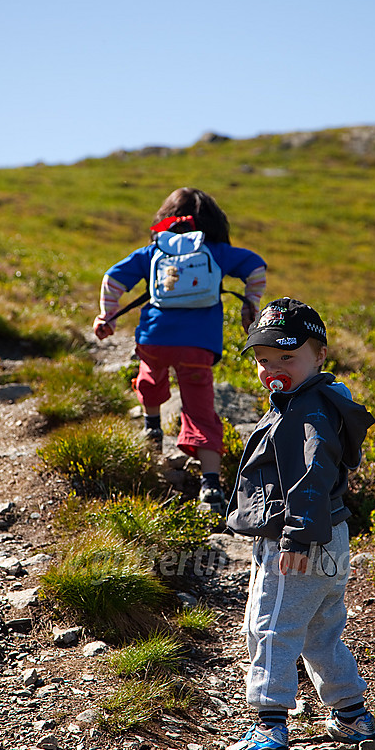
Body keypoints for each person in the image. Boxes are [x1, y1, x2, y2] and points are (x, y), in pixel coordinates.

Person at [223, 297, 375, 750]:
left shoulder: (306, 412)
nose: (273, 367)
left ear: (320, 356)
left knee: (270, 626)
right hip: (330, 538)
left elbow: (312, 475)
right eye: (263, 360)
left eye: (287, 357)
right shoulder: (315, 401)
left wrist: (295, 539)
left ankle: (268, 728)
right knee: (320, 631)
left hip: (299, 540)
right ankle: (352, 715)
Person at [93, 187, 267, 512]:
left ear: (164, 219)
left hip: (155, 339)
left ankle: (152, 427)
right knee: (201, 409)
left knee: (150, 376)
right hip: (199, 345)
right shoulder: (216, 251)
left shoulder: (153, 251)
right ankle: (211, 485)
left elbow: (112, 279)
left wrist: (107, 315)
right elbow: (256, 267)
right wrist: (251, 306)